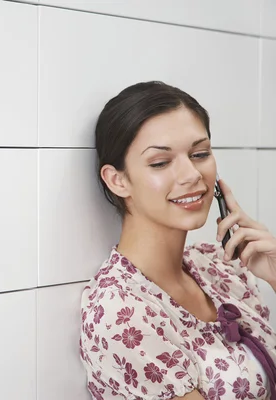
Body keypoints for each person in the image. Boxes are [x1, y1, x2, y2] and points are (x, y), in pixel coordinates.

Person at [80, 81, 276, 400]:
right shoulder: (121, 311)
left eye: (200, 154)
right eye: (160, 162)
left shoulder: (221, 266)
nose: (191, 175)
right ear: (118, 180)